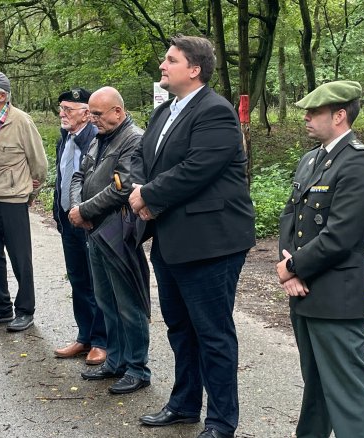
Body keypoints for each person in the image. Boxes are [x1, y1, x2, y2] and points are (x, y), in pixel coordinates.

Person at [130, 35, 256, 438]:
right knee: (180, 328)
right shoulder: (164, 112)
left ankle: (221, 421)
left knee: (213, 334)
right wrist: (140, 191)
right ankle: (184, 405)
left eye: (171, 60)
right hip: (170, 239)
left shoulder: (215, 112)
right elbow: (142, 159)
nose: (163, 66)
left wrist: (149, 196)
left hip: (211, 243)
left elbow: (197, 168)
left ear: (195, 69)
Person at [276, 80, 364, 437]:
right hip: (303, 293)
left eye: (314, 112)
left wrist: (293, 266)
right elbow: (289, 217)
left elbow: (340, 237)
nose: (305, 117)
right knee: (317, 385)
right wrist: (289, 272)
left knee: (348, 391)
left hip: (336, 296)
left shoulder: (357, 163)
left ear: (339, 116)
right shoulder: (312, 159)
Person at [68, 87, 150, 394]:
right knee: (106, 300)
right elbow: (79, 175)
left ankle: (138, 367)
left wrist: (85, 210)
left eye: (98, 114)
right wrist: (78, 209)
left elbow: (123, 186)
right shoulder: (99, 137)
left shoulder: (134, 139)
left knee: (128, 302)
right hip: (94, 230)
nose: (93, 119)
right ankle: (115, 360)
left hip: (118, 232)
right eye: (90, 113)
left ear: (117, 111)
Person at [0, 72, 48, 332]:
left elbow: (39, 164)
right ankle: (0, 308)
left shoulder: (21, 121)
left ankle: (25, 310)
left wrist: (29, 194)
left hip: (12, 200)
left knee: (19, 258)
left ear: (1, 96)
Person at [52, 88, 108, 366]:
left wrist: (83, 212)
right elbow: (62, 176)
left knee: (96, 281)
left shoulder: (96, 139)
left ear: (86, 113)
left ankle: (101, 340)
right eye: (61, 108)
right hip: (68, 219)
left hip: (89, 219)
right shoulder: (66, 137)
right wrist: (58, 212)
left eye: (68, 109)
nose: (62, 114)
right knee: (78, 280)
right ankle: (84, 336)